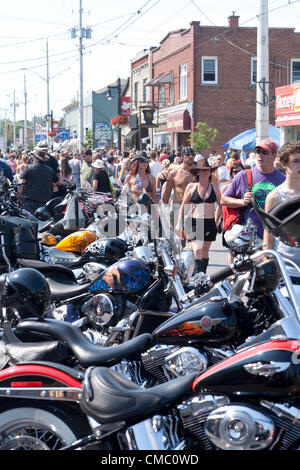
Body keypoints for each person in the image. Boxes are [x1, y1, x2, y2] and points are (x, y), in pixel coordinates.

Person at [221, 139, 286, 240]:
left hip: (276, 236)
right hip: (249, 238)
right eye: (258, 152)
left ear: (274, 156)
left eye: (265, 152)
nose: (260, 155)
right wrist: (242, 201)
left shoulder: (283, 179)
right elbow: (223, 200)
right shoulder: (244, 175)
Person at [175, 159, 221, 274]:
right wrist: (179, 223)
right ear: (198, 172)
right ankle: (198, 278)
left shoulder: (214, 187)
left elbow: (221, 204)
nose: (205, 173)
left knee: (204, 252)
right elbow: (184, 206)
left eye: (207, 170)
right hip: (195, 222)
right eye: (202, 170)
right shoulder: (191, 187)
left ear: (210, 172)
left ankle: (202, 276)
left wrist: (218, 219)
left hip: (209, 222)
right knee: (197, 250)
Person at [263, 140, 300, 277]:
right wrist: (268, 263)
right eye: (295, 161)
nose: (299, 165)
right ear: (284, 164)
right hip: (285, 269)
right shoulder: (275, 197)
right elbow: (268, 236)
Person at [18, 149, 61, 214]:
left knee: (30, 222)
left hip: (30, 201)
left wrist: (18, 196)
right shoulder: (50, 170)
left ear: (36, 158)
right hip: (45, 202)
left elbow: (21, 184)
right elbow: (59, 183)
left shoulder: (28, 168)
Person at [161, 146, 195, 225]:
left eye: (193, 154)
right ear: (182, 156)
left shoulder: (197, 173)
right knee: (178, 236)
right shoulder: (174, 173)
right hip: (178, 209)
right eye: (188, 154)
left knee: (195, 236)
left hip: (193, 210)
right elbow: (167, 195)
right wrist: (164, 212)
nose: (191, 156)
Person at [221, 162, 245, 264]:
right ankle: (232, 276)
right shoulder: (226, 188)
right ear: (231, 174)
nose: (237, 173)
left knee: (244, 249)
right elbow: (222, 205)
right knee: (231, 250)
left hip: (242, 221)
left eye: (240, 171)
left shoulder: (246, 186)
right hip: (230, 222)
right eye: (235, 171)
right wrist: (220, 220)